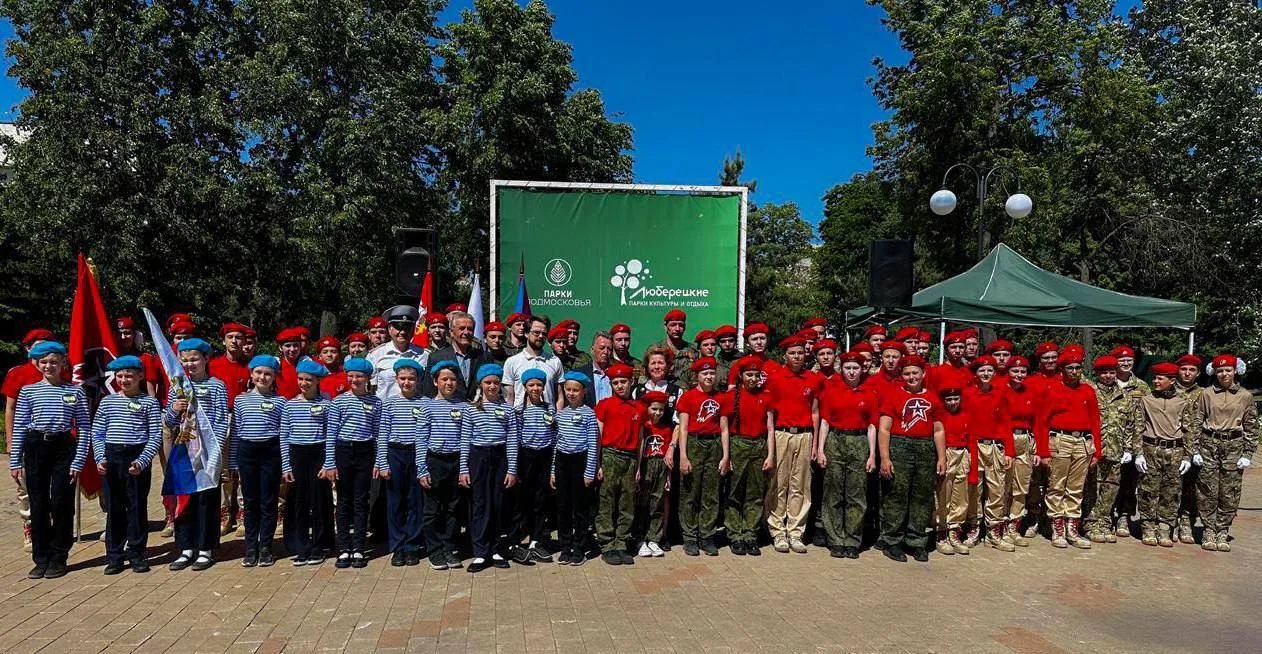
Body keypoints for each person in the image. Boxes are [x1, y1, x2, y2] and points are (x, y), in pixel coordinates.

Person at [8, 341, 90, 579]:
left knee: (62, 502)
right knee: (38, 503)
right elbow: (20, 427)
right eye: (43, 362)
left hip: (63, 447)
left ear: (63, 362)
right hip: (36, 447)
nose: (48, 366)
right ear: (37, 364)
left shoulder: (74, 391)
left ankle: (59, 556)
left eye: (54, 361)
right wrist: (15, 461)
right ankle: (41, 557)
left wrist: (79, 460)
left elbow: (84, 426)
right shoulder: (28, 391)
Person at [89, 356, 161, 574]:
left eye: (129, 375)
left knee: (137, 507)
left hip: (136, 457)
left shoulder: (149, 403)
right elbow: (97, 433)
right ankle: (115, 556)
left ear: (140, 376)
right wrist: (100, 458)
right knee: (115, 508)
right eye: (119, 376)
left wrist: (142, 461)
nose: (124, 380)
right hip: (112, 457)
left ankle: (137, 553)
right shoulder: (107, 402)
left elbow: (155, 436)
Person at [164, 338, 230, 571]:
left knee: (206, 499)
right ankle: (185, 548)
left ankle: (205, 548)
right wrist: (174, 410)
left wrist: (215, 453)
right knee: (185, 499)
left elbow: (221, 420)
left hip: (208, 450)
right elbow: (169, 421)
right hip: (184, 450)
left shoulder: (217, 386)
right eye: (185, 360)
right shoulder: (177, 386)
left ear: (206, 359)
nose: (190, 364)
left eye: (194, 359)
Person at [877, 355, 945, 563]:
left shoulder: (933, 398)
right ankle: (892, 540)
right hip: (900, 447)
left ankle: (916, 541)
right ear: (902, 376)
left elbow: (938, 430)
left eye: (915, 373)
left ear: (923, 374)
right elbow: (884, 429)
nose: (911, 377)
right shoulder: (894, 395)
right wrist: (885, 458)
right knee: (897, 494)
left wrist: (941, 457)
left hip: (925, 449)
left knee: (922, 497)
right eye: (907, 373)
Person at [1034, 349, 1102, 549]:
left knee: (1076, 487)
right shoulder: (1053, 389)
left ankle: (1072, 528)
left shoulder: (1088, 391)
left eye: (1077, 367)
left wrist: (1097, 451)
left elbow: (1095, 421)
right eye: (1070, 368)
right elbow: (1041, 422)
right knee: (1056, 485)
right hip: (1059, 440)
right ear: (1062, 369)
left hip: (1083, 442)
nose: (1074, 371)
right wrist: (1043, 452)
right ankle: (1057, 529)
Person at [1190, 354, 1256, 552]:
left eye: (1228, 370)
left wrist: (1248, 454)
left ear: (1236, 371)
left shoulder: (1245, 396)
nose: (1224, 374)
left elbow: (1251, 426)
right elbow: (1196, 421)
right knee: (1207, 490)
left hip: (1233, 445)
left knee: (1230, 491)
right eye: (1220, 371)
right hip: (1208, 444)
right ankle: (1209, 530)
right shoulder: (1207, 394)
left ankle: (1222, 530)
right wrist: (1194, 450)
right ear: (1214, 372)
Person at [815, 351, 875, 559]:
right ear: (841, 369)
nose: (851, 372)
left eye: (855, 368)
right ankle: (835, 539)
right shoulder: (831, 391)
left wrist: (872, 454)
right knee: (833, 492)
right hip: (835, 440)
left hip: (859, 442)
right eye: (847, 368)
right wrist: (820, 449)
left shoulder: (869, 392)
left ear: (862, 370)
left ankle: (852, 540)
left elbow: (872, 426)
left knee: (856, 494)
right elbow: (824, 422)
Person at [765, 336, 822, 554]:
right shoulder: (775, 378)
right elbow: (770, 415)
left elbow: (815, 412)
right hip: (782, 434)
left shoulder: (812, 379)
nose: (797, 357)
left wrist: (814, 443)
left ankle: (796, 532)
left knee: (800, 485)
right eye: (792, 353)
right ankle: (777, 530)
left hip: (805, 435)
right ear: (784, 356)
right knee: (779, 483)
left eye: (800, 353)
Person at [229, 355, 286, 567]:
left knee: (268, 501)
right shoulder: (241, 400)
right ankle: (251, 547)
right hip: (247, 452)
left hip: (270, 452)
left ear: (274, 377)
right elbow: (236, 432)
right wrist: (233, 461)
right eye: (258, 373)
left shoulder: (280, 402)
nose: (262, 377)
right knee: (250, 500)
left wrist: (285, 462)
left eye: (268, 374)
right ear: (251, 374)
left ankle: (266, 547)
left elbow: (284, 434)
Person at [461, 364, 519, 573]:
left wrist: (512, 469)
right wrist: (463, 468)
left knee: (497, 503)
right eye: (488, 382)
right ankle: (480, 552)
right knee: (479, 504)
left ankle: (495, 549)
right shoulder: (471, 409)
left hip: (500, 457)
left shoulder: (508, 409)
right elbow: (465, 439)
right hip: (478, 457)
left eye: (495, 382)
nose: (492, 386)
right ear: (481, 384)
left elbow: (512, 439)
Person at [324, 357, 380, 569]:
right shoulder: (339, 402)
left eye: (359, 376)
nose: (355, 380)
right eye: (351, 376)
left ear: (368, 378)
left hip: (365, 451)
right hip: (343, 450)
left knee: (361, 500)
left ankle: (358, 547)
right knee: (344, 500)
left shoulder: (375, 403)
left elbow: (377, 433)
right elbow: (331, 433)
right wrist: (330, 462)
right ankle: (343, 548)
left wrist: (378, 460)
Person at [4, 328, 56, 554]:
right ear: (27, 349)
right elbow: (10, 409)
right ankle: (30, 528)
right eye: (37, 347)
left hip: (56, 440)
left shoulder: (60, 371)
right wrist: (11, 441)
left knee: (54, 487)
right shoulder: (18, 374)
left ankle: (51, 528)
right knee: (26, 487)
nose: (44, 352)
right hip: (27, 440)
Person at [1131, 362, 1194, 547]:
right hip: (1151, 449)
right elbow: (1138, 427)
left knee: (1171, 491)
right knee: (1148, 489)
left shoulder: (1183, 401)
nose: (1155, 381)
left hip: (1175, 451)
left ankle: (1165, 526)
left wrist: (1188, 456)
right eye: (1155, 378)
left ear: (1172, 380)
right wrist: (1138, 453)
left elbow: (1189, 430)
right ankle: (1148, 526)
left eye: (1160, 378)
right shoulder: (1146, 400)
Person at [375, 358, 427, 567]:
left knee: (415, 501)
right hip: (395, 453)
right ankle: (397, 546)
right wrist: (383, 462)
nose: (407, 382)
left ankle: (412, 545)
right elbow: (383, 433)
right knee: (395, 502)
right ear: (396, 380)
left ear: (418, 380)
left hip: (417, 453)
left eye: (411, 379)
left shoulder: (425, 403)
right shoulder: (389, 404)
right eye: (403, 378)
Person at [281, 359, 334, 566]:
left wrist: (328, 463)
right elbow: (284, 436)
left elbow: (330, 434)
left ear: (317, 380)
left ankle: (320, 545)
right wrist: (286, 465)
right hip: (297, 454)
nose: (304, 383)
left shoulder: (326, 404)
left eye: (309, 380)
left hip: (318, 453)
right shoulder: (290, 405)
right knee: (298, 501)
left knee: (320, 501)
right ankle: (300, 545)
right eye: (301, 379)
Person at [676, 357, 730, 556]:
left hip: (714, 445)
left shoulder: (721, 397)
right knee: (690, 492)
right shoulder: (688, 397)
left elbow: (724, 429)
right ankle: (690, 537)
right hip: (694, 443)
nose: (709, 377)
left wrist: (725, 456)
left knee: (711, 493)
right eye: (705, 373)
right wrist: (683, 456)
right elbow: (683, 428)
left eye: (712, 373)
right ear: (697, 376)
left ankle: (707, 536)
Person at [416, 360, 468, 570]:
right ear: (435, 382)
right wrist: (422, 469)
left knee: (453, 507)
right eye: (444, 379)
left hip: (455, 461)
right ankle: (435, 549)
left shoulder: (463, 407)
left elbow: (465, 438)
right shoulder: (427, 406)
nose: (449, 383)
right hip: (434, 461)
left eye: (453, 379)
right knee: (432, 509)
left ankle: (449, 547)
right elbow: (421, 439)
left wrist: (463, 467)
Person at [1083, 356, 1138, 543]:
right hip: (1094, 450)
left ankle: (1104, 521)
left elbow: (1130, 424)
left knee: (1110, 488)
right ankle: (1090, 523)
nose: (1108, 376)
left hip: (1116, 450)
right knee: (1092, 487)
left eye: (1112, 372)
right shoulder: (1090, 392)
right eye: (1104, 372)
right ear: (1098, 374)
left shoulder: (1125, 396)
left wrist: (1128, 449)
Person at [963, 355, 1015, 552]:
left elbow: (1006, 422)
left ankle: (994, 532)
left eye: (990, 370)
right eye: (982, 370)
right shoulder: (968, 393)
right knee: (974, 489)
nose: (986, 374)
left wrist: (1009, 451)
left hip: (995, 447)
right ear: (976, 373)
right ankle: (973, 528)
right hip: (974, 446)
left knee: (996, 489)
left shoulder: (1001, 393)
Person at [594, 363, 644, 565]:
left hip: (630, 458)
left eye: (623, 381)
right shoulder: (605, 405)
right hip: (610, 456)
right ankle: (607, 544)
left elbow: (640, 440)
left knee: (627, 502)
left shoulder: (639, 408)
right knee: (607, 501)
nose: (620, 386)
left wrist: (638, 466)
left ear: (631, 382)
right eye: (615, 383)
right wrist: (597, 463)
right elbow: (598, 436)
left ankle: (621, 542)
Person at [719, 356, 770, 556]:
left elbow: (770, 428)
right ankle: (735, 535)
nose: (753, 379)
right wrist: (726, 456)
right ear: (740, 376)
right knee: (734, 491)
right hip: (737, 444)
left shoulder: (765, 396)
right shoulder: (729, 397)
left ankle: (751, 534)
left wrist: (771, 455)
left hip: (759, 446)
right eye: (749, 375)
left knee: (755, 493)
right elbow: (724, 429)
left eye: (756, 375)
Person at [510, 369, 557, 564]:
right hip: (525, 456)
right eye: (531, 385)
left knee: (540, 499)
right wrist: (515, 465)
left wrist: (552, 466)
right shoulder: (519, 411)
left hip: (544, 456)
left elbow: (554, 436)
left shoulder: (549, 409)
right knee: (520, 500)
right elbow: (515, 437)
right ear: (525, 387)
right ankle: (516, 541)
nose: (535, 388)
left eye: (539, 385)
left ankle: (536, 541)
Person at [552, 371, 599, 565]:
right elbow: (556, 442)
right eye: (568, 389)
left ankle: (579, 547)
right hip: (563, 461)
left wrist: (589, 471)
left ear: (583, 391)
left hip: (581, 461)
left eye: (575, 390)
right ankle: (565, 546)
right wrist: (553, 471)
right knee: (563, 506)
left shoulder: (589, 414)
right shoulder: (560, 414)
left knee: (580, 508)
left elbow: (593, 444)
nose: (571, 393)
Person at [933, 387, 977, 556]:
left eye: (956, 399)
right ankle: (941, 533)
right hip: (946, 453)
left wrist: (972, 463)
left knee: (960, 495)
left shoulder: (966, 415)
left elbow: (971, 439)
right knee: (943, 494)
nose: (953, 402)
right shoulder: (940, 416)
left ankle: (954, 532)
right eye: (949, 399)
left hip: (963, 453)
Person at [1000, 355, 1037, 546]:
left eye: (1023, 371)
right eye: (1015, 371)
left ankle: (1014, 526)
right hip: (1006, 440)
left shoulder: (1029, 392)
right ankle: (1000, 526)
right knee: (1003, 486)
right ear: (1008, 372)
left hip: (1025, 440)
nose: (1019, 374)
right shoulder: (1001, 391)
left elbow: (1037, 420)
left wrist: (1037, 449)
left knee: (1021, 486)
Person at [635, 391, 674, 557]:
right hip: (646, 464)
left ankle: (654, 539)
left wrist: (668, 477)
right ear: (647, 408)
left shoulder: (666, 429)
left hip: (661, 467)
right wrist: (638, 470)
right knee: (642, 503)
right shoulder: (643, 426)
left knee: (657, 503)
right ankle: (639, 538)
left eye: (661, 410)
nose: (657, 413)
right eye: (654, 409)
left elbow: (668, 457)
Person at [422, 311, 491, 401]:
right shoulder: (436, 358)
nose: (466, 332)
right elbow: (429, 391)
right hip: (448, 407)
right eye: (462, 328)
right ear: (451, 332)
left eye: (470, 329)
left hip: (477, 407)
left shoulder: (484, 357)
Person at [1173, 354, 1205, 544]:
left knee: (1192, 487)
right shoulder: (1168, 390)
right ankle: (1170, 522)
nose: (1187, 373)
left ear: (1198, 373)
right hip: (1174, 446)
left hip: (1198, 447)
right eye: (1184, 369)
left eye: (1192, 370)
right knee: (1171, 487)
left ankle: (1187, 522)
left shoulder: (1204, 394)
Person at [368, 305, 428, 400]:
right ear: (389, 329)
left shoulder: (424, 355)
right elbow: (370, 388)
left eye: (407, 328)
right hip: (386, 407)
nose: (403, 332)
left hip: (416, 407)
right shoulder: (375, 355)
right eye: (398, 328)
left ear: (413, 329)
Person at [503, 316, 564, 409]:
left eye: (544, 333)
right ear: (526, 333)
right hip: (520, 416)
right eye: (536, 332)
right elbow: (509, 397)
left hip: (548, 416)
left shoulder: (554, 361)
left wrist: (558, 416)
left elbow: (559, 397)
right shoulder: (512, 362)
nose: (541, 336)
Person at [633, 346, 684, 422]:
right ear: (647, 367)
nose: (656, 367)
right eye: (653, 363)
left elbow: (678, 423)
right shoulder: (637, 391)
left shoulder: (676, 391)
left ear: (667, 366)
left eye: (660, 363)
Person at [650, 309, 700, 385]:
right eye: (673, 325)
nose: (677, 329)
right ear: (665, 327)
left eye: (681, 325)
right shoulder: (655, 349)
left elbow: (696, 377)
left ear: (684, 327)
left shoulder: (692, 350)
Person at [714, 325, 741, 389]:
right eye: (723, 341)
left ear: (736, 341)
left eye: (731, 340)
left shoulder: (744, 360)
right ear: (718, 343)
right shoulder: (714, 362)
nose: (727, 344)